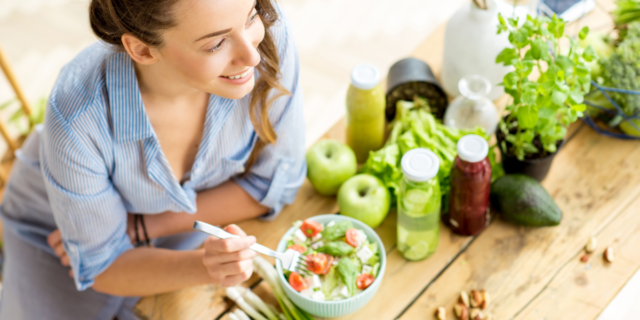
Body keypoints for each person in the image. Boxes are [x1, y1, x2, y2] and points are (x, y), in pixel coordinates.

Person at [0, 0, 305, 318]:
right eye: (216, 43)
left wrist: (143, 227)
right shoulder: (77, 116)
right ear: (142, 50)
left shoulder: (267, 35)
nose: (252, 56)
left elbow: (275, 182)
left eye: (251, 15)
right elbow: (104, 265)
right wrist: (205, 265)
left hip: (181, 224)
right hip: (57, 233)